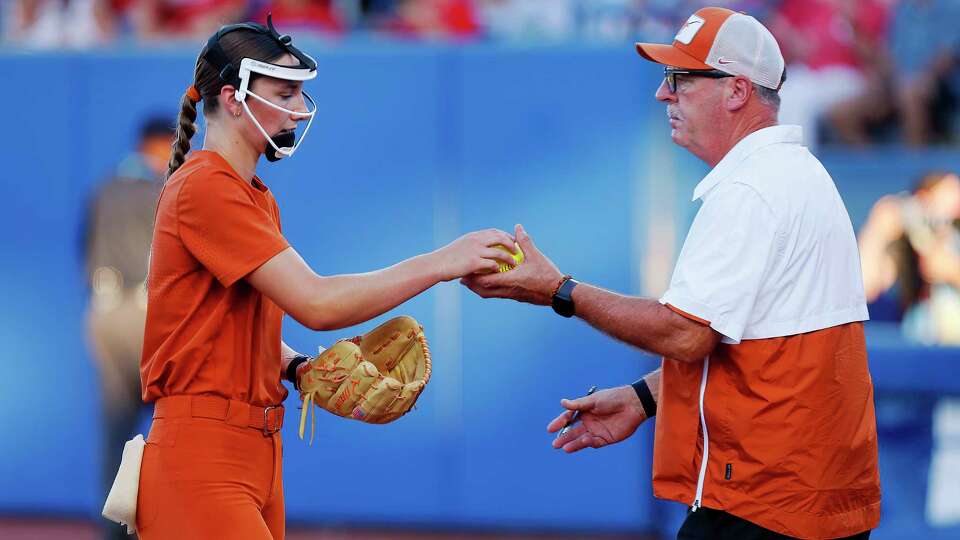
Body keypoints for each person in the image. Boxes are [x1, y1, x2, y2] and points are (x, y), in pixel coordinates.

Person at [462, 7, 880, 539]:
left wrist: (558, 290)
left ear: (735, 91)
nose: (664, 94)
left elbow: (687, 333)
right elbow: (756, 344)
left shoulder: (751, 189)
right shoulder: (796, 174)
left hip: (765, 500)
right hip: (812, 498)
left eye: (680, 78)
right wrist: (645, 397)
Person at [134, 16, 517, 539]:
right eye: (284, 91)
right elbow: (316, 303)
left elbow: (225, 324)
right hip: (203, 454)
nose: (297, 107)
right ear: (232, 95)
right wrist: (442, 262)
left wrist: (295, 368)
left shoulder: (252, 193)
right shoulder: (206, 185)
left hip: (252, 451)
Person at [82, 114, 174, 540]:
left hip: (103, 314)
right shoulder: (163, 188)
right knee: (171, 424)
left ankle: (114, 531)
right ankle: (159, 526)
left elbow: (81, 248)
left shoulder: (104, 187)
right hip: (147, 316)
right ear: (159, 144)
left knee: (118, 427)